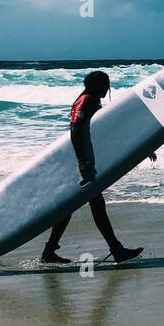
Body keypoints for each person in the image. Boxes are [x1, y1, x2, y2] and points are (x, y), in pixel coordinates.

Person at [41, 70, 144, 264]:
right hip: (80, 163)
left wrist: (141, 148)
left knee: (73, 207)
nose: (108, 89)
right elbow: (76, 128)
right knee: (96, 206)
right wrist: (82, 161)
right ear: (99, 86)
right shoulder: (86, 100)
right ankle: (116, 249)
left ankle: (50, 251)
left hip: (83, 161)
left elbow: (106, 133)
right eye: (106, 85)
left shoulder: (91, 100)